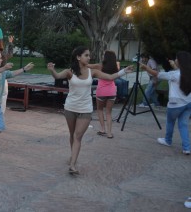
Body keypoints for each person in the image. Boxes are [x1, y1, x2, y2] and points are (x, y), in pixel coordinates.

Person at [47, 46, 133, 174]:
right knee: (72, 135)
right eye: (86, 55)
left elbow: (109, 77)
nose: (89, 57)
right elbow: (57, 76)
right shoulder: (69, 72)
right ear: (78, 57)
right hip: (70, 108)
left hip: (86, 109)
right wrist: (52, 69)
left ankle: (73, 164)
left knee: (78, 136)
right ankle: (73, 156)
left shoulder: (92, 71)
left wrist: (124, 71)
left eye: (89, 55)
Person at [140, 51, 191, 155]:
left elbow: (158, 74)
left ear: (180, 61)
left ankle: (168, 140)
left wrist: (146, 68)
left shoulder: (174, 74)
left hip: (175, 104)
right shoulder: (185, 73)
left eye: (176, 59)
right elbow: (181, 74)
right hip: (188, 103)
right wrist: (176, 66)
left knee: (170, 121)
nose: (175, 60)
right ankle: (187, 147)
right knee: (183, 125)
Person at [88, 50, 119, 138]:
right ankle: (109, 133)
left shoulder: (99, 66)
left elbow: (87, 65)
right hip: (112, 91)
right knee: (109, 112)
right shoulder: (115, 67)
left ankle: (102, 129)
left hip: (101, 91)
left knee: (100, 109)